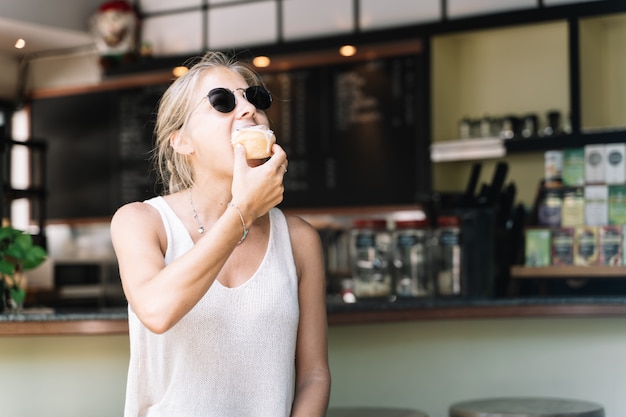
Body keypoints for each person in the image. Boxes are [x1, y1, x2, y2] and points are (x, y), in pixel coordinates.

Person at [110, 51, 331, 417]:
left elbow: (314, 373)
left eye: (255, 99)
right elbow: (157, 310)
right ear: (181, 141)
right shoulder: (140, 222)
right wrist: (242, 211)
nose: (248, 110)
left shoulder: (299, 240)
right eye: (222, 102)